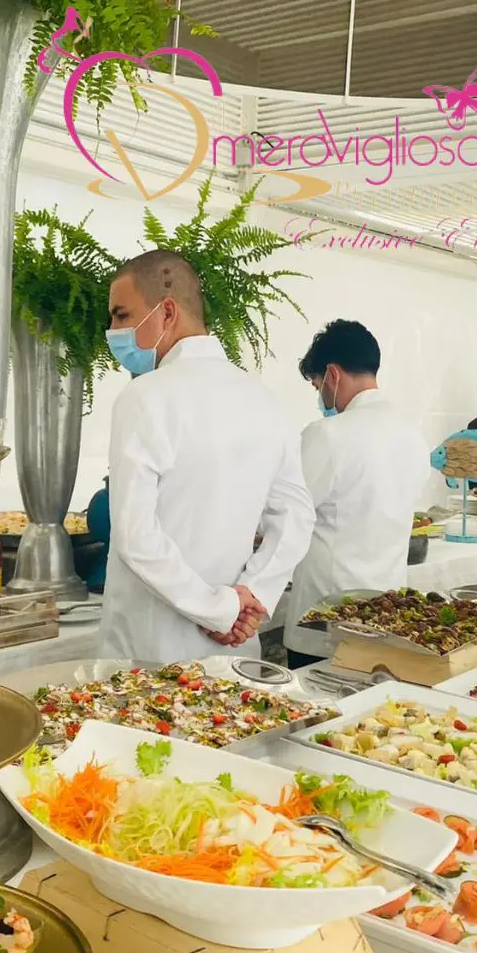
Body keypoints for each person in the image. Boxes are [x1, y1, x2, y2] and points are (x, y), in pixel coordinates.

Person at [97, 249, 316, 665]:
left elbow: (134, 536)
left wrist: (220, 610)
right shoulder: (263, 400)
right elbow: (296, 516)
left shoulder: (144, 397)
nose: (113, 331)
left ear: (166, 311)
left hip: (150, 652)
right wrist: (253, 595)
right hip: (234, 647)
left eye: (122, 315)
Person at [284, 321, 430, 669]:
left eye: (317, 384)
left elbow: (286, 513)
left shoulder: (328, 434)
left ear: (332, 375)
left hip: (327, 614)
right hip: (387, 609)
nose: (320, 395)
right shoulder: (412, 435)